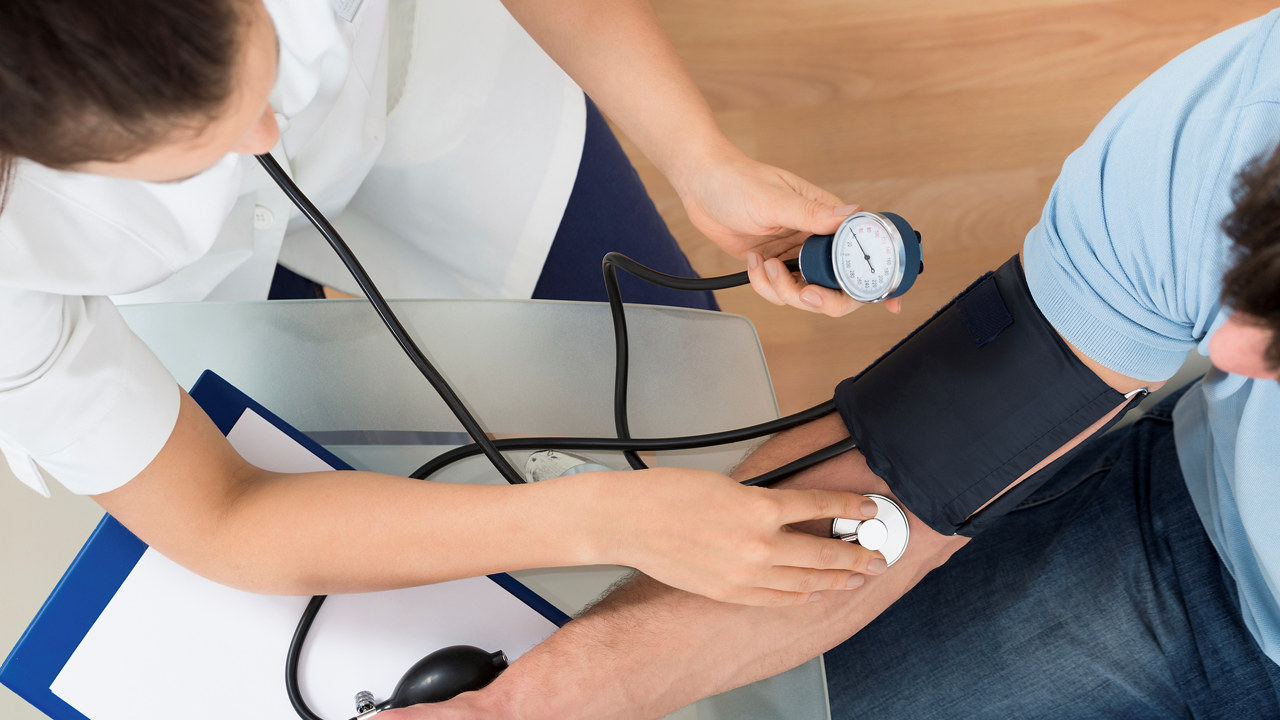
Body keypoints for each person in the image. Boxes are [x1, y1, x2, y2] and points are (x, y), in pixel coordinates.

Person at [390, 9, 1280, 719]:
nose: (1225, 351)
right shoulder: (1228, 137)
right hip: (1202, 556)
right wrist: (524, 707)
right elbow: (914, 467)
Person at [0, 0, 891, 608]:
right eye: (192, 159)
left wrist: (701, 158)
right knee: (395, 539)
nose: (266, 138)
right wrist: (591, 522)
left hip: (426, 91)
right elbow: (224, 514)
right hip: (181, 291)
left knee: (693, 400)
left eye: (260, 60)